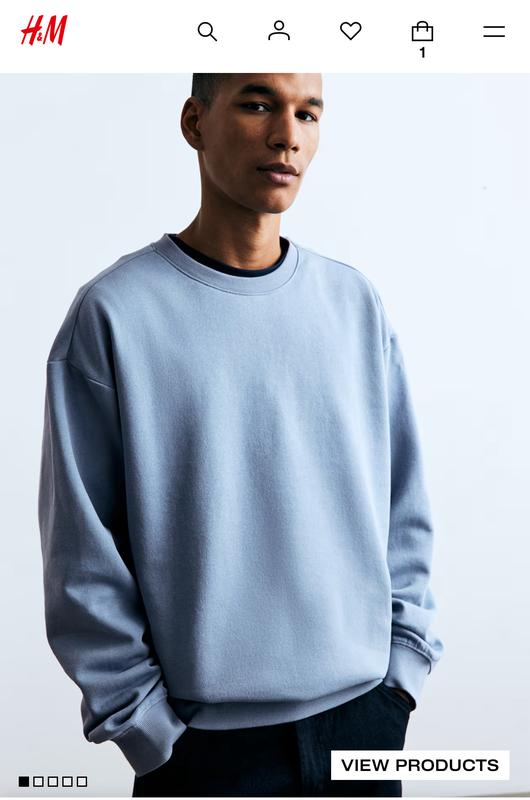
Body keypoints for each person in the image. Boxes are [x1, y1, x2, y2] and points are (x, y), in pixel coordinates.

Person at [38, 73, 444, 797]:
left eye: (308, 113)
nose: (288, 135)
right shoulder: (115, 314)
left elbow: (404, 505)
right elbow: (81, 549)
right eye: (258, 104)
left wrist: (401, 677)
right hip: (206, 751)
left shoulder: (353, 303)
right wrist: (147, 728)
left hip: (366, 726)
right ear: (195, 122)